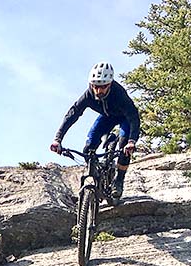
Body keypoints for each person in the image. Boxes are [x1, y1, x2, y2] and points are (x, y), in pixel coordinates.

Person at [50, 61, 140, 200]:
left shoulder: (119, 94)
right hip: (106, 117)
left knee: (124, 147)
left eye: (103, 87)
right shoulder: (88, 95)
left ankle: (119, 180)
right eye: (96, 86)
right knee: (89, 147)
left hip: (125, 118)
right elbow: (72, 114)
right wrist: (58, 139)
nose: (99, 91)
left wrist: (132, 141)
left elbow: (133, 117)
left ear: (109, 84)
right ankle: (98, 176)